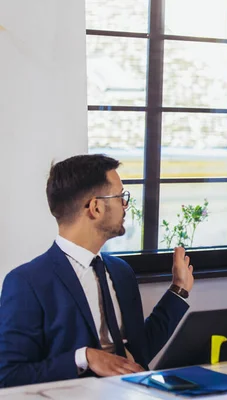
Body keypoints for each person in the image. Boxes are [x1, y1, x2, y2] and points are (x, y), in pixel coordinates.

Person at [0, 154, 193, 387]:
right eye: (121, 197)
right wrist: (84, 357)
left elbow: (138, 353)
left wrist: (178, 290)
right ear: (96, 207)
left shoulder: (121, 272)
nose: (125, 205)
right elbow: (8, 375)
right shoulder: (27, 283)